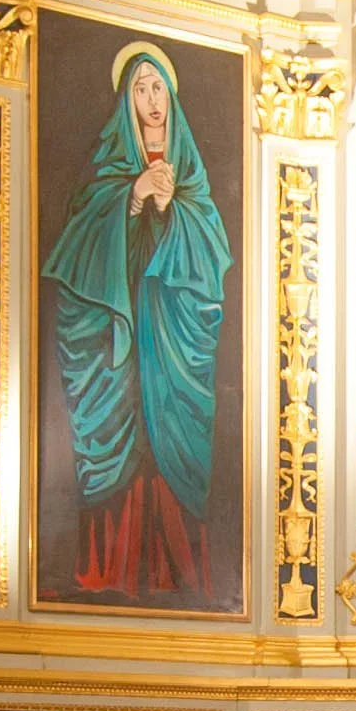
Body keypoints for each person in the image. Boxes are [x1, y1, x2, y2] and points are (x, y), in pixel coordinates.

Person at [42, 42, 231, 600]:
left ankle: (178, 576)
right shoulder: (106, 177)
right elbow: (80, 244)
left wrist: (172, 211)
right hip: (119, 345)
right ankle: (111, 572)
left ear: (171, 98)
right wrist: (130, 198)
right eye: (140, 89)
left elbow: (210, 257)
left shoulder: (192, 182)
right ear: (127, 101)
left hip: (171, 346)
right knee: (123, 437)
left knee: (169, 438)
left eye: (158, 89)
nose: (151, 100)